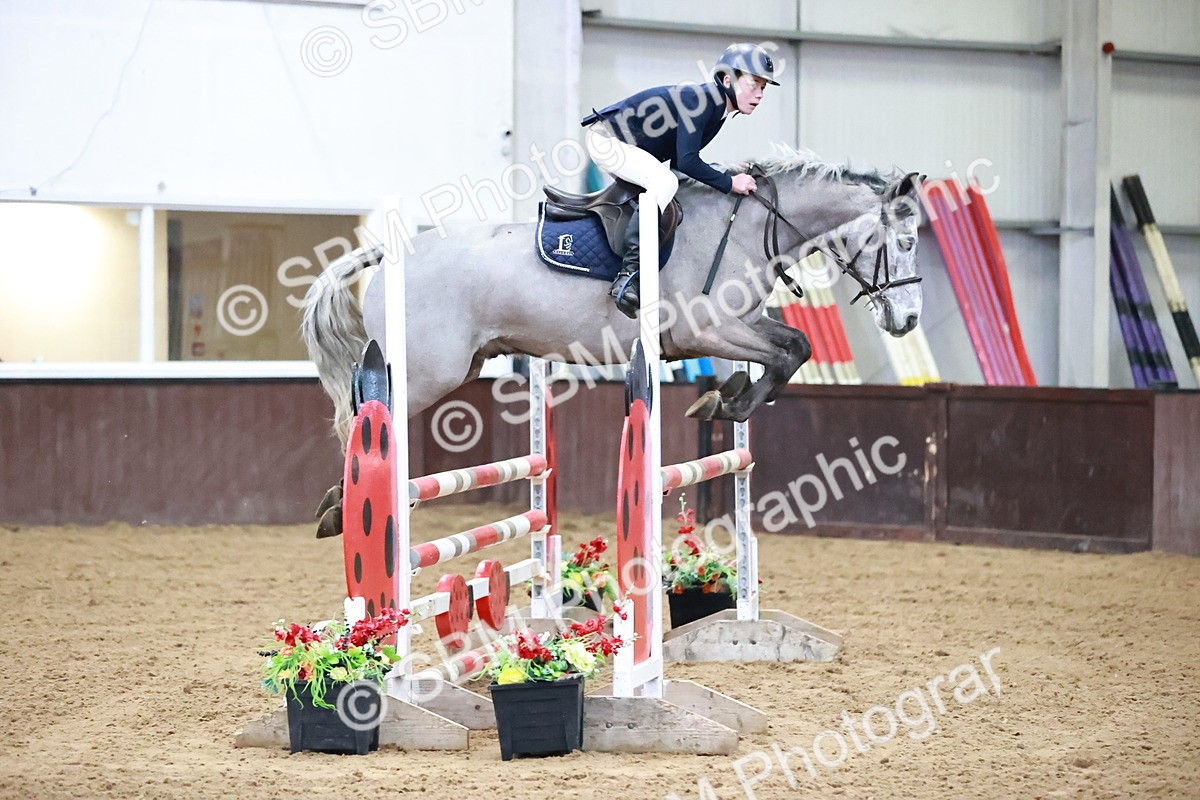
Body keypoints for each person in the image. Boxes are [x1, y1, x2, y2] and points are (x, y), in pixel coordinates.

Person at [581, 43, 778, 318]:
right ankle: (630, 275)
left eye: (764, 88)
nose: (759, 95)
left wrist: (726, 173)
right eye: (753, 84)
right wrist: (729, 183)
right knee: (664, 184)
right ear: (726, 80)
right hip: (607, 140)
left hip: (622, 143)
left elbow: (680, 162)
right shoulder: (702, 101)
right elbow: (686, 163)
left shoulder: (718, 109)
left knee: (666, 184)